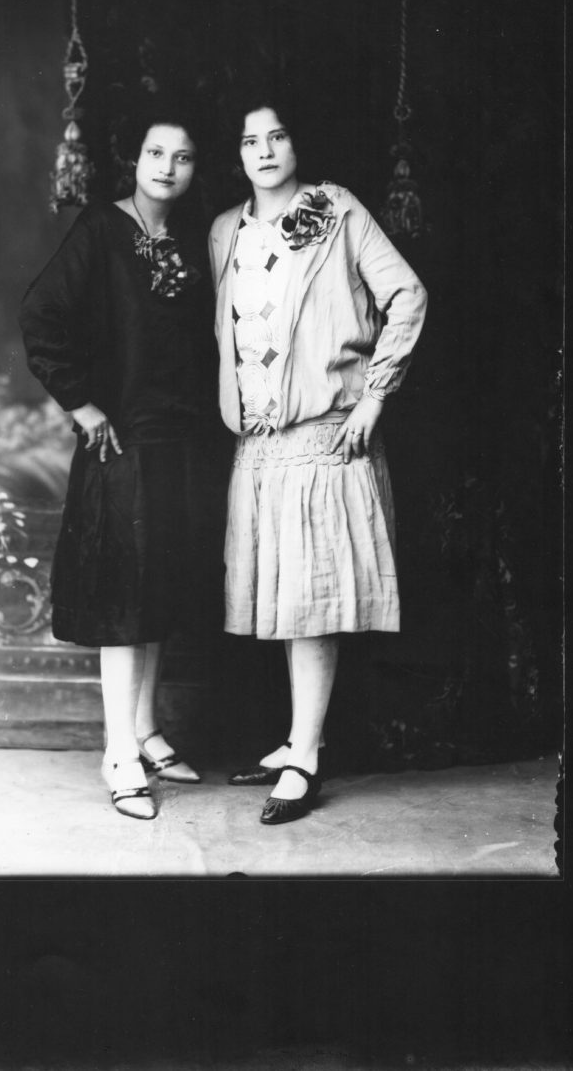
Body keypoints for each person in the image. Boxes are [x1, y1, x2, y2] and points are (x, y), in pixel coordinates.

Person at [208, 95, 428, 824]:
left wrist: (374, 397)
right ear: (237, 154)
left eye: (277, 136)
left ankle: (304, 756)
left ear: (296, 144)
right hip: (258, 446)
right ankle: (300, 739)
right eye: (251, 141)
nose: (265, 151)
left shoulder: (337, 210)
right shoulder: (225, 231)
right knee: (285, 599)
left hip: (324, 439)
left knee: (309, 602)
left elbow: (406, 295)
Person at [20, 105, 222, 820]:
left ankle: (146, 731)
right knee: (125, 600)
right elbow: (40, 314)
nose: (167, 167)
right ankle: (118, 755)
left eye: (183, 156)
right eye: (155, 153)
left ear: (194, 169)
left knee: (158, 589)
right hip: (121, 442)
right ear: (136, 160)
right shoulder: (101, 229)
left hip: (180, 439)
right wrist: (82, 406)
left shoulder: (195, 239)